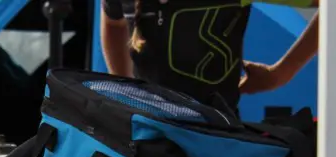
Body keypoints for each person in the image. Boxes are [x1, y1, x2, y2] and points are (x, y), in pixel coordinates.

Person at [100, 0, 319, 111]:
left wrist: (282, 72)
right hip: (144, 141)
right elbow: (112, 22)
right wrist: (125, 93)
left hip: (214, 149)